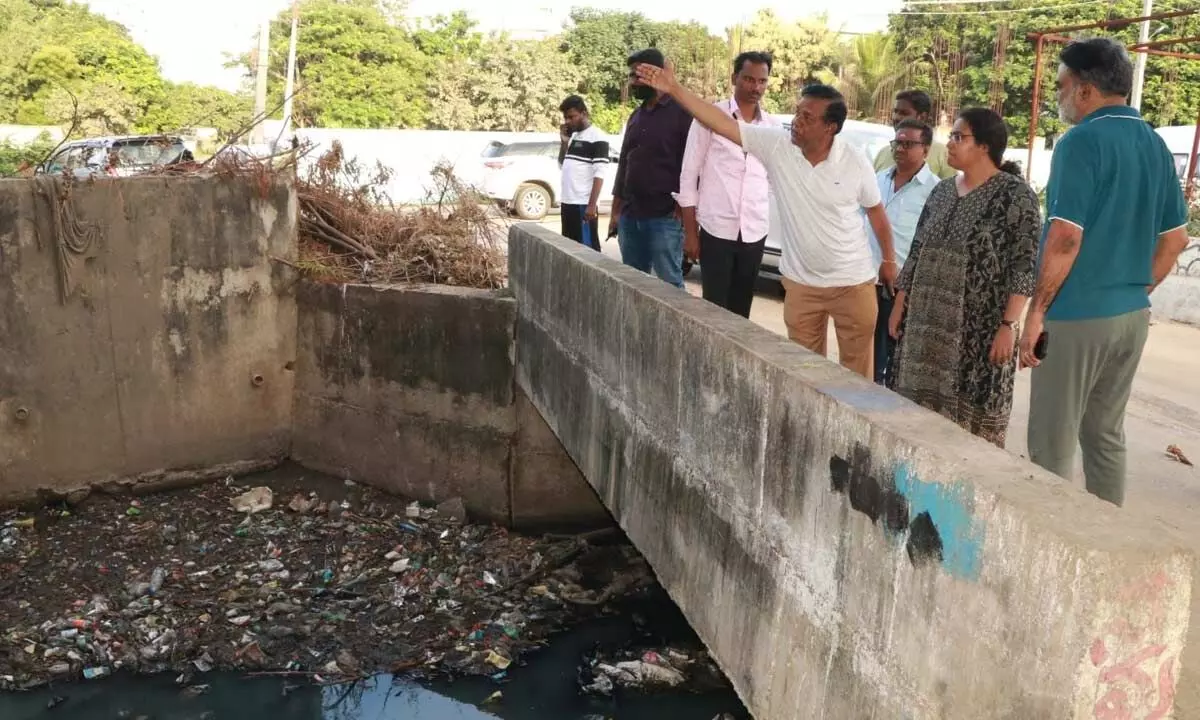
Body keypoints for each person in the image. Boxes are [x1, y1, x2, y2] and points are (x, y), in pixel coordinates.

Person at [633, 62, 898, 380]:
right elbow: (720, 123)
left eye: (807, 118)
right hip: (802, 287)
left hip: (852, 285)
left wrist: (889, 260)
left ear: (830, 128)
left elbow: (877, 213)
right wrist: (674, 89)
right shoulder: (778, 146)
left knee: (857, 376)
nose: (797, 123)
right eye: (798, 113)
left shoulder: (855, 161)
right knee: (806, 374)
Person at [1019, 38, 1190, 506]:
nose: (1058, 96)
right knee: (1105, 436)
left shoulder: (1081, 142)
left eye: (1061, 86)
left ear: (1085, 90)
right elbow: (1176, 239)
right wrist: (1133, 289)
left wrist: (1036, 314)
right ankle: (1105, 538)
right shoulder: (1154, 144)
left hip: (1077, 316)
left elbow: (1066, 237)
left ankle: (1053, 546)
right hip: (1131, 315)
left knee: (1052, 442)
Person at [887, 108, 1040, 448]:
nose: (950, 144)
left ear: (984, 146)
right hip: (925, 328)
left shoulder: (1016, 197)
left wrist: (1008, 325)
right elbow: (917, 248)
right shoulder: (941, 191)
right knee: (916, 428)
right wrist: (900, 301)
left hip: (980, 333)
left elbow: (1024, 267)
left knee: (967, 440)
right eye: (951, 136)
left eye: (959, 137)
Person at [674, 51, 780, 318]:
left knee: (742, 309)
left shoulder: (772, 126)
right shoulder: (709, 116)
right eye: (748, 79)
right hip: (716, 228)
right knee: (714, 309)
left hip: (754, 232)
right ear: (735, 78)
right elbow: (689, 176)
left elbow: (769, 178)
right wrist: (690, 232)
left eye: (762, 81)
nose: (755, 87)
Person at [610, 49, 694, 289]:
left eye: (637, 76)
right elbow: (624, 163)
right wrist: (616, 211)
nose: (633, 82)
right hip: (630, 216)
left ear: (654, 74)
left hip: (664, 218)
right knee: (633, 286)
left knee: (669, 286)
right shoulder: (636, 116)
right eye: (631, 77)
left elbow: (691, 167)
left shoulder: (683, 113)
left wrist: (681, 212)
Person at [866, 119, 939, 385]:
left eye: (909, 144)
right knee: (867, 354)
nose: (901, 149)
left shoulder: (935, 190)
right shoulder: (877, 179)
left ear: (926, 150)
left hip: (902, 286)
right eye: (898, 142)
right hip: (866, 279)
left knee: (894, 354)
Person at [557, 95, 609, 251]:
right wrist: (564, 143)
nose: (567, 121)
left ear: (584, 114)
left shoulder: (597, 137)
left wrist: (591, 205)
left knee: (587, 251)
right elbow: (562, 163)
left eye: (572, 116)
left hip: (583, 204)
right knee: (569, 249)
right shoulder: (573, 137)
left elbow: (599, 174)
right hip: (568, 202)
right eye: (566, 117)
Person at [873, 90, 956, 180]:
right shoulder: (883, 154)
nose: (896, 117)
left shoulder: (943, 154)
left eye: (904, 113)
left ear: (922, 117)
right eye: (895, 112)